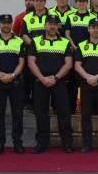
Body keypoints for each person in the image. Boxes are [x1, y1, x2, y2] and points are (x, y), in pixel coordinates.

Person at [27, 16, 74, 153]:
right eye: (50, 24)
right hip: (40, 82)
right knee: (41, 113)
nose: (52, 27)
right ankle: (42, 143)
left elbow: (69, 64)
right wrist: (42, 78)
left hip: (59, 82)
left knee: (63, 112)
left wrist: (56, 77)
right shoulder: (35, 42)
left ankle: (67, 142)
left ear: (58, 26)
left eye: (55, 24)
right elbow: (31, 62)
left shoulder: (65, 42)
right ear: (45, 25)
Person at [0, 15, 25, 155]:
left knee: (18, 114)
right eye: (4, 23)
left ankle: (18, 143)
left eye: (9, 23)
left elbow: (22, 62)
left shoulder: (19, 41)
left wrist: (13, 75)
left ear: (11, 24)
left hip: (16, 82)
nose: (6, 25)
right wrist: (1, 75)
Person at [74, 19, 98, 152]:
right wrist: (88, 78)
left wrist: (96, 78)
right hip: (86, 85)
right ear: (88, 29)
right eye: (93, 27)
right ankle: (86, 144)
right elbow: (77, 65)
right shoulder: (81, 45)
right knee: (86, 115)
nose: (95, 29)